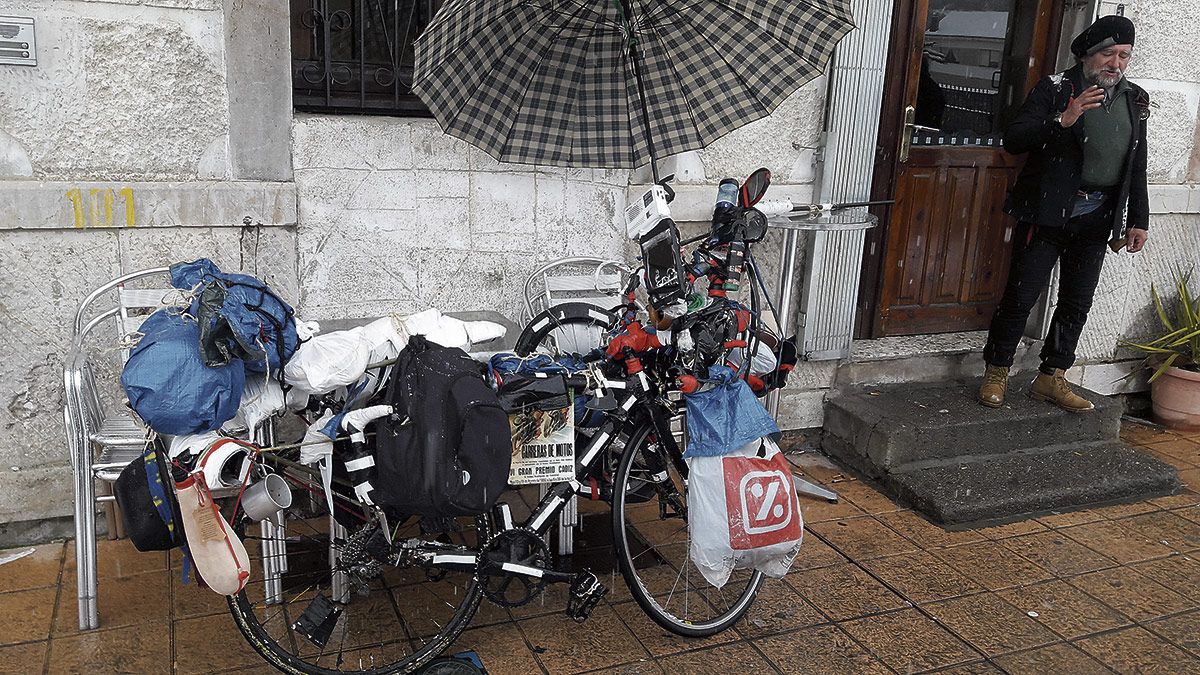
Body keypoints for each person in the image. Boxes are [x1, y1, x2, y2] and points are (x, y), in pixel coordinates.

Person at [978, 15, 1150, 412]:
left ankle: (1052, 377)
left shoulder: (1134, 98)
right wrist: (1064, 119)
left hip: (1098, 216)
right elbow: (1016, 139)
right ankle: (997, 371)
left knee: (1077, 301)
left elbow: (1135, 163)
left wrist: (1138, 219)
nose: (1116, 63)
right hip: (1047, 212)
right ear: (1088, 55)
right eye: (1108, 53)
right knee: (1020, 297)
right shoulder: (1056, 88)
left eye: (1124, 55)